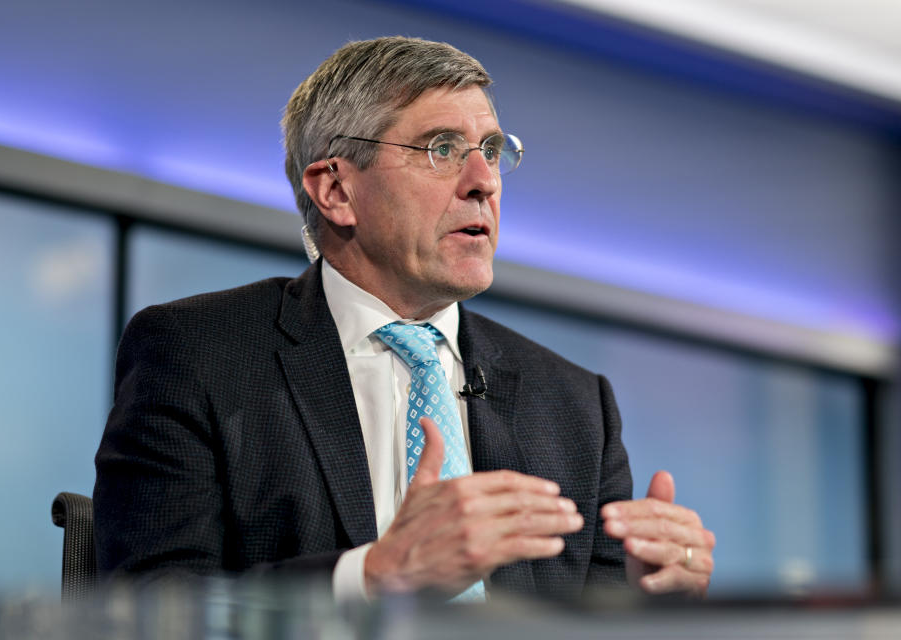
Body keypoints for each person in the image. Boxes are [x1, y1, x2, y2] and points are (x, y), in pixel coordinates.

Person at [94, 36, 714, 601]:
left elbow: (598, 621)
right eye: (442, 149)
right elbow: (153, 606)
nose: (483, 183)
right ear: (335, 190)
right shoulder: (198, 353)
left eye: (492, 151)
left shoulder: (576, 406)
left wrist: (650, 603)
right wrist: (371, 578)